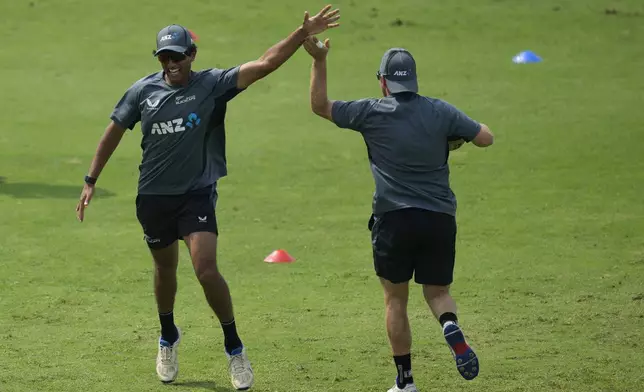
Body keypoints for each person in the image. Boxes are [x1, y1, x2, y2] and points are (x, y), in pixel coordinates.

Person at [75, 7, 340, 389]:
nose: (171, 64)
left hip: (196, 194)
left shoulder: (212, 85)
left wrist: (302, 34)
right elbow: (114, 130)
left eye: (177, 56)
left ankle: (235, 349)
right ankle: (168, 336)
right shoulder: (142, 92)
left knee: (205, 270)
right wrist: (90, 179)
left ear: (191, 55)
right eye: (164, 58)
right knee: (165, 271)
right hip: (153, 197)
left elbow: (265, 64)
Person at [301, 36, 494, 392]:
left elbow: (319, 105)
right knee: (438, 294)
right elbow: (486, 137)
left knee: (395, 301)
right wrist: (457, 137)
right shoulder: (441, 111)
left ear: (383, 82)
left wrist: (319, 60)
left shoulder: (370, 111)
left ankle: (405, 382)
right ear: (414, 80)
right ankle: (449, 324)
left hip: (394, 220)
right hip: (438, 218)